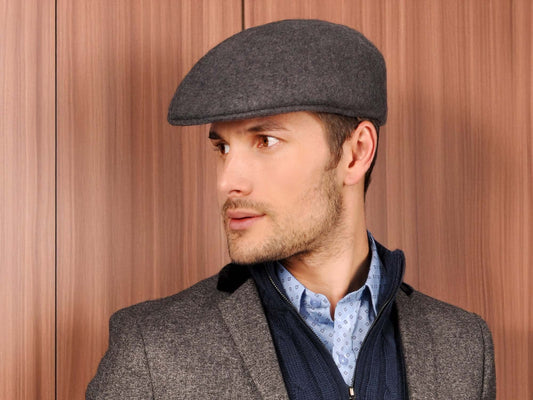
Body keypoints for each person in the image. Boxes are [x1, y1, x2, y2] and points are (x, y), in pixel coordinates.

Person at [86, 19, 495, 400]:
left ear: (356, 153)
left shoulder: (463, 347)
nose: (227, 181)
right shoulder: (153, 350)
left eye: (265, 141)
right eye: (222, 147)